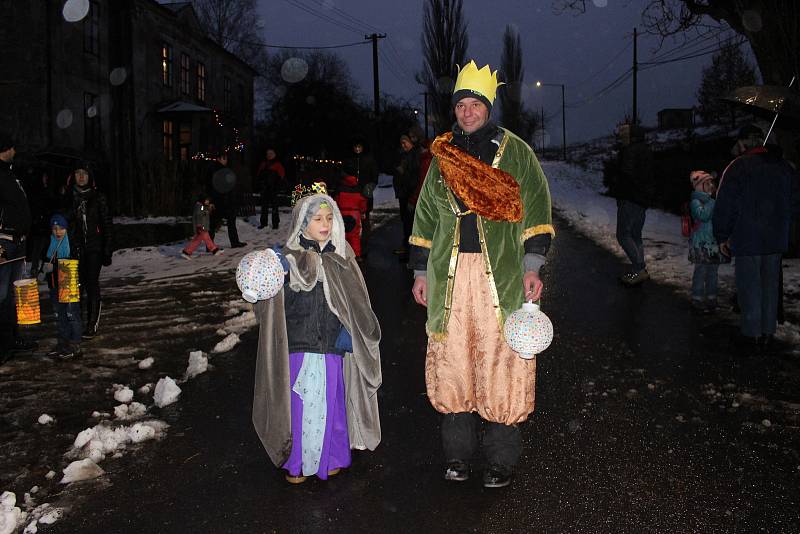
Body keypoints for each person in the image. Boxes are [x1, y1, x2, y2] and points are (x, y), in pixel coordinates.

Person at [409, 60, 554, 488]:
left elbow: (537, 209)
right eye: (461, 105)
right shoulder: (442, 156)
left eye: (475, 104)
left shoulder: (516, 152)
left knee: (501, 360)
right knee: (453, 360)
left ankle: (500, 459)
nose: (468, 111)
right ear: (453, 110)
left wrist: (533, 267)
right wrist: (421, 272)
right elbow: (425, 217)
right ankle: (457, 456)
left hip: (503, 277)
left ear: (488, 108)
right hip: (450, 275)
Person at [250, 183, 382, 484]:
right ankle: (295, 463)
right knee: (300, 407)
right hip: (298, 345)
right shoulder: (289, 260)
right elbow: (267, 306)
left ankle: (331, 458)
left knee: (331, 404)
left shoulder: (341, 258)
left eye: (329, 217)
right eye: (317, 219)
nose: (325, 224)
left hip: (332, 346)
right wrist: (266, 278)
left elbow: (357, 303)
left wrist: (352, 331)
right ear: (301, 223)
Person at [713, 125, 800, 351]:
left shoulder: (738, 167)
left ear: (743, 144)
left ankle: (751, 334)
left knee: (749, 286)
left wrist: (722, 235)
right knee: (770, 286)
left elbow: (725, 204)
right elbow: (794, 204)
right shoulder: (784, 168)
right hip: (774, 239)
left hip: (747, 237)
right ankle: (767, 333)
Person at [63, 162, 113, 340]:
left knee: (92, 283)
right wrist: (72, 210)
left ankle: (92, 324)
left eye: (84, 173)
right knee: (77, 286)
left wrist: (107, 249)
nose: (81, 176)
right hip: (76, 248)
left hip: (94, 247)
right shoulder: (69, 197)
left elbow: (106, 223)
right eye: (77, 173)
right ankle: (76, 322)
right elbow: (63, 222)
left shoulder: (98, 197)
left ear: (90, 176)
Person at [0, 131, 37, 363]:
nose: (15, 151)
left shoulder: (11, 173)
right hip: (3, 241)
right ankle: (3, 345)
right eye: (12, 147)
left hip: (18, 240)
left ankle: (13, 339)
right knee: (1, 294)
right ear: (5, 148)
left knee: (14, 293)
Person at [610, 123, 655, 286]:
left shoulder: (630, 151)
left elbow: (626, 175)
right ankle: (639, 270)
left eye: (624, 133)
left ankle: (639, 268)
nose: (621, 136)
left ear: (632, 135)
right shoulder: (645, 150)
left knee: (623, 235)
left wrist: (619, 189)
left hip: (630, 198)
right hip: (642, 200)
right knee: (635, 235)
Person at [686, 171, 728, 314]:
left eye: (712, 183)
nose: (711, 186)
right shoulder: (696, 202)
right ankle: (696, 297)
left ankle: (712, 297)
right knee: (701, 271)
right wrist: (712, 202)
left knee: (713, 272)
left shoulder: (712, 201)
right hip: (702, 244)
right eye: (707, 183)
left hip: (713, 243)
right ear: (698, 186)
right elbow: (703, 215)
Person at [42, 214, 82, 359]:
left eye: (61, 228)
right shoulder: (49, 244)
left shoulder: (71, 243)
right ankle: (63, 342)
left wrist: (55, 266)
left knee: (72, 314)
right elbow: (45, 262)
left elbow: (74, 263)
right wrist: (43, 270)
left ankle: (75, 344)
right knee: (60, 316)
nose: (58, 232)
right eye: (54, 228)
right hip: (54, 286)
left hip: (69, 286)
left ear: (66, 229)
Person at [343, 140, 379, 250]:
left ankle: (363, 246)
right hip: (352, 195)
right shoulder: (349, 160)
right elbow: (344, 175)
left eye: (359, 146)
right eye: (355, 147)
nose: (357, 149)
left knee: (365, 220)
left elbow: (374, 176)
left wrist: (369, 189)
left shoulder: (369, 160)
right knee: (350, 222)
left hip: (365, 194)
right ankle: (351, 247)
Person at [208, 152, 246, 248]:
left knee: (214, 223)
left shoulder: (213, 170)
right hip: (224, 200)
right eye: (224, 158)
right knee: (229, 221)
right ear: (219, 159)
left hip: (219, 200)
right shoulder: (222, 171)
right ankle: (234, 242)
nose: (226, 160)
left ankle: (210, 245)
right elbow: (227, 186)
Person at [392, 134, 420, 256]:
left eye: (405, 142)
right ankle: (408, 247)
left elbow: (414, 176)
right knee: (406, 221)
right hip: (404, 193)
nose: (403, 145)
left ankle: (411, 249)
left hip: (410, 194)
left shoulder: (415, 156)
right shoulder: (403, 155)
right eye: (402, 143)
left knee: (410, 222)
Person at [334, 174, 368, 261]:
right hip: (354, 214)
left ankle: (342, 254)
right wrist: (363, 211)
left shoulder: (340, 189)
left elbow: (336, 201)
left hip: (342, 213)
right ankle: (356, 255)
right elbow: (363, 202)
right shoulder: (359, 190)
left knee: (342, 235)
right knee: (354, 236)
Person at [181, 195, 222, 259]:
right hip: (201, 226)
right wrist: (199, 225)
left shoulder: (201, 206)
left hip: (202, 226)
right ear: (203, 200)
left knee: (197, 240)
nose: (208, 202)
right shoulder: (199, 206)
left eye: (208, 201)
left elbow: (203, 213)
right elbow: (199, 215)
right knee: (207, 238)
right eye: (207, 200)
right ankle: (215, 250)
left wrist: (209, 209)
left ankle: (186, 252)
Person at [255, 148, 286, 230]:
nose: (269, 155)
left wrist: (276, 185)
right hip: (265, 189)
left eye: (271, 154)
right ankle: (263, 223)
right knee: (264, 207)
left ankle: (275, 224)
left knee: (274, 207)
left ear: (274, 155)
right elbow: (259, 175)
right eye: (268, 154)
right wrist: (260, 184)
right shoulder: (263, 164)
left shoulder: (277, 164)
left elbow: (282, 175)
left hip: (273, 189)